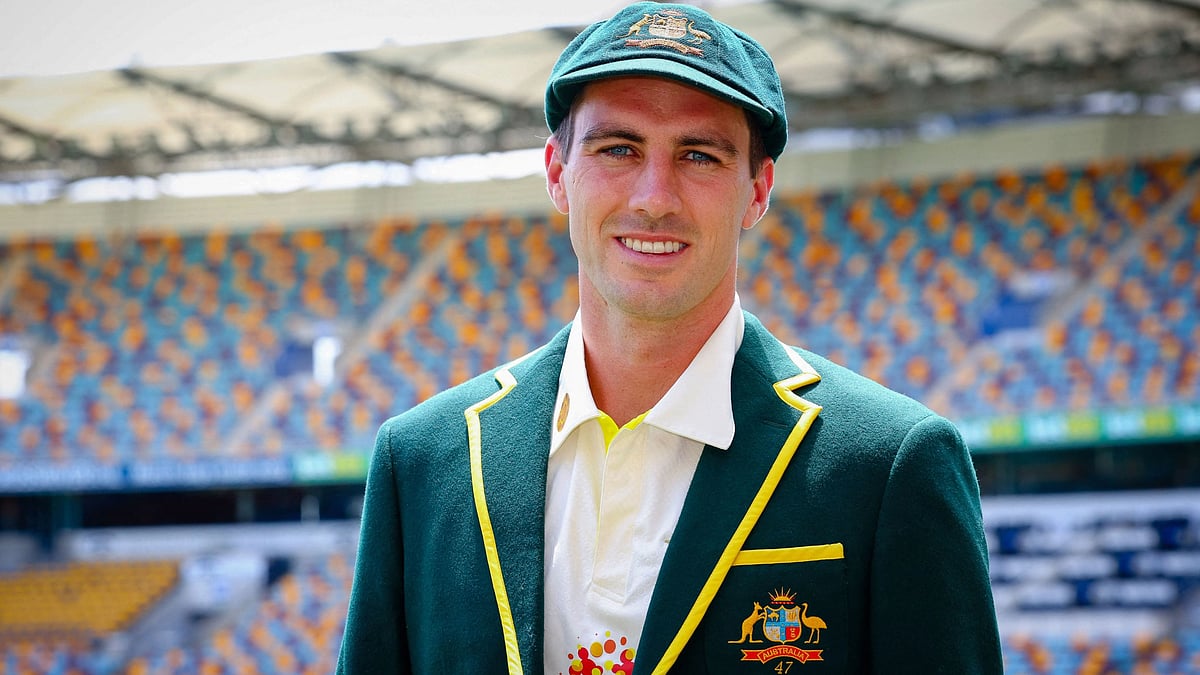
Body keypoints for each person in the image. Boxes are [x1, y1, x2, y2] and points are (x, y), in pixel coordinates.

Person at [337, 2, 1002, 673]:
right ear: (557, 173)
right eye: (618, 148)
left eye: (699, 154)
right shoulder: (422, 460)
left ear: (758, 190)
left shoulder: (889, 464)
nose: (655, 196)